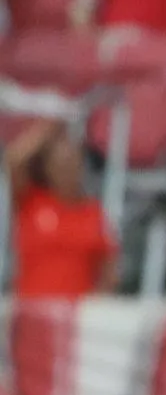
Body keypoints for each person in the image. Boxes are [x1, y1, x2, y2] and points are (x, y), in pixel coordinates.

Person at [7, 120, 117, 298]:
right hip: (32, 312)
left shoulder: (93, 212)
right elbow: (13, 160)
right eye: (59, 164)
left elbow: (109, 268)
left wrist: (96, 307)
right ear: (48, 169)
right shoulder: (31, 202)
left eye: (72, 163)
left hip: (73, 317)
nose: (66, 170)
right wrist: (46, 129)